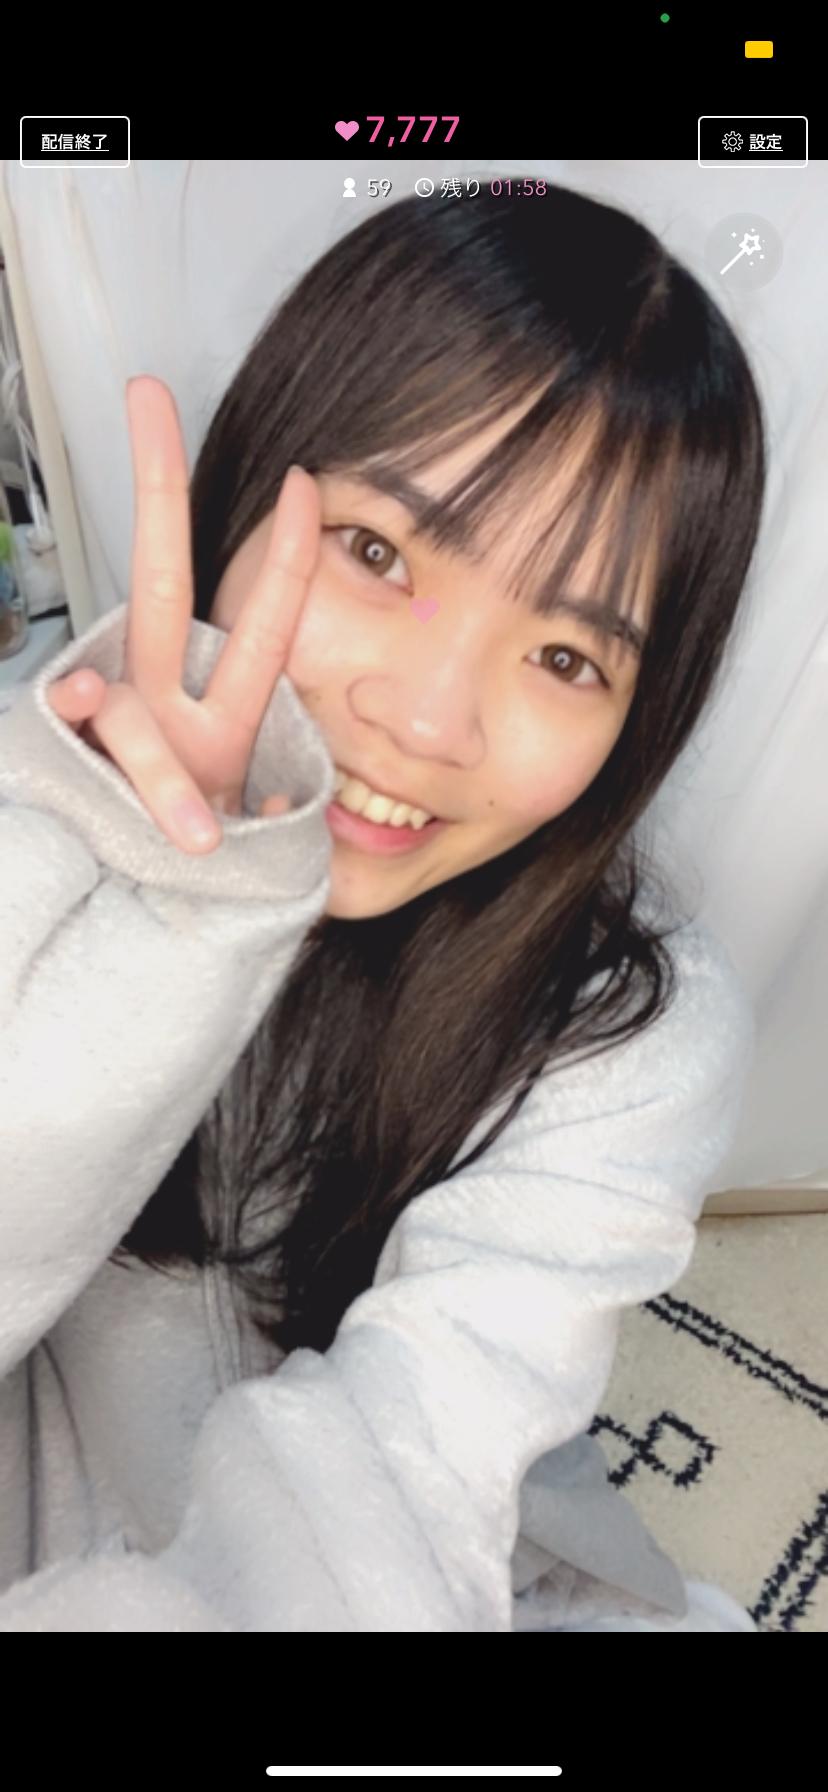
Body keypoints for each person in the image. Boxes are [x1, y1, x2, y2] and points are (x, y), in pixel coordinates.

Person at [0, 182, 765, 1631]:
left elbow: (406, 1475)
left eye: (565, 658)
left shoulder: (627, 1032)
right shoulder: (38, 798)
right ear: (246, 495)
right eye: (378, 554)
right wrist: (173, 902)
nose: (425, 722)